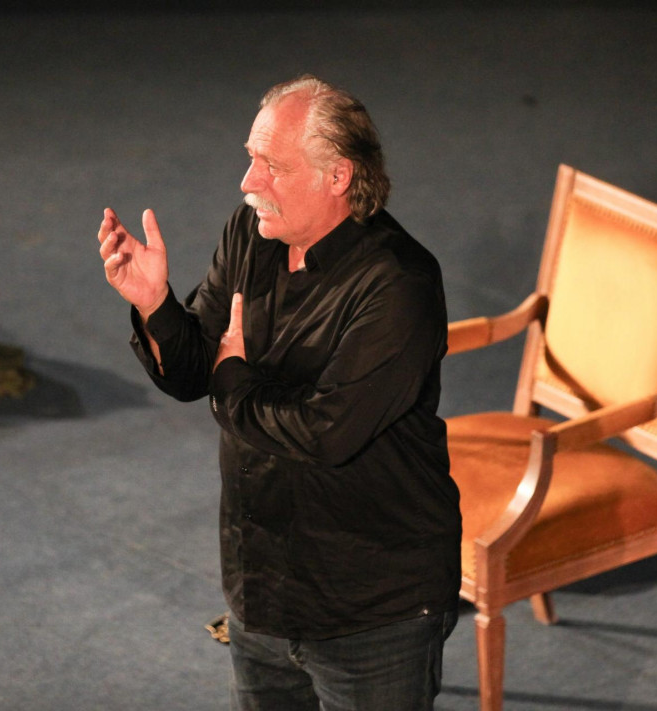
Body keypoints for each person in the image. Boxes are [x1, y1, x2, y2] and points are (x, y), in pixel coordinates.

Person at [98, 74, 461, 711]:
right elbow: (192, 374)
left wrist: (232, 382)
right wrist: (156, 305)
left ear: (338, 176)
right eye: (250, 157)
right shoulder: (251, 233)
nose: (249, 181)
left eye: (273, 165)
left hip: (371, 609)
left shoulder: (397, 283)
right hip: (261, 588)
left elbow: (325, 433)